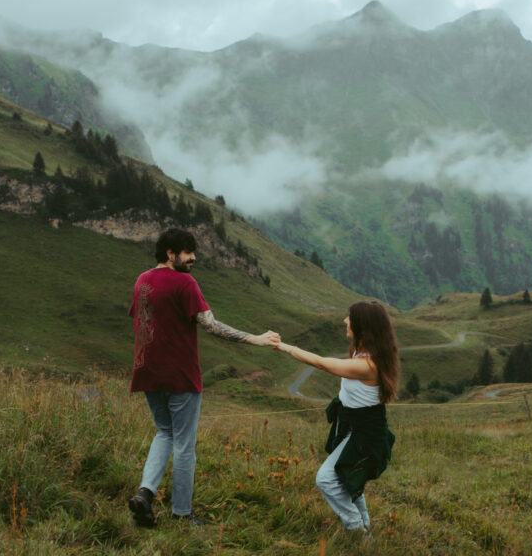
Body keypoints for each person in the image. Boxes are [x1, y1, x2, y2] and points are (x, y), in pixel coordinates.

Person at [128, 228, 278, 527]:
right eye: (187, 252)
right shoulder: (185, 282)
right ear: (170, 254)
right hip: (180, 375)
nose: (193, 257)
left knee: (164, 432)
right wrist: (255, 339)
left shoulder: (142, 280)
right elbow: (211, 326)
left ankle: (145, 493)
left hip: (147, 372)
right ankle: (182, 514)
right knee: (184, 444)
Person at [270, 301, 398, 533]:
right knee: (345, 474)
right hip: (353, 424)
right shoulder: (364, 352)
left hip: (365, 431)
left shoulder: (367, 365)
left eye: (349, 317)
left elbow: (321, 363)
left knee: (326, 479)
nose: (344, 321)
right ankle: (365, 526)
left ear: (362, 326)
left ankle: (357, 530)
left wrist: (284, 347)